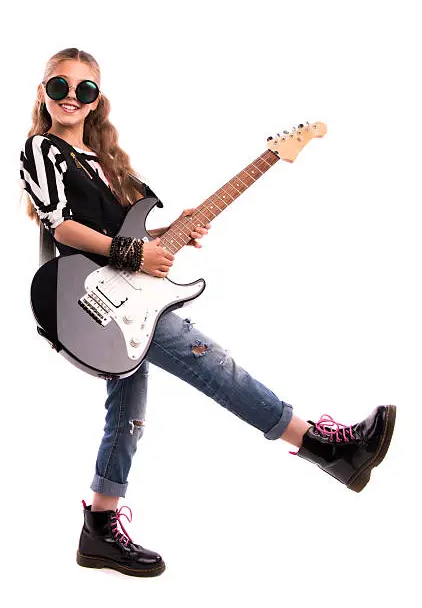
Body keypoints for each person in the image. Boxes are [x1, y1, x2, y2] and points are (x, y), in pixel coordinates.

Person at [20, 47, 396, 578]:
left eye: (84, 90)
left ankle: (100, 527)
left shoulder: (104, 166)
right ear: (43, 93)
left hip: (122, 299)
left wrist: (165, 234)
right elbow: (62, 228)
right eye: (59, 87)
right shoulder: (43, 149)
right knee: (212, 362)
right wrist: (135, 253)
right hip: (87, 297)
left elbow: (123, 237)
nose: (71, 98)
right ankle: (324, 446)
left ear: (96, 100)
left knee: (128, 408)